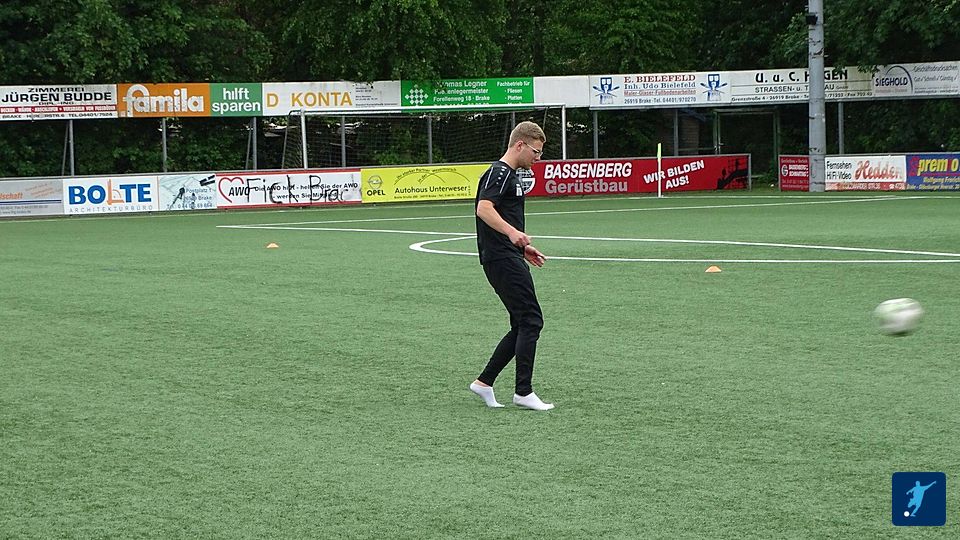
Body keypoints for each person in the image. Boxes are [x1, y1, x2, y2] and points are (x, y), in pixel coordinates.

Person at [469, 121, 554, 411]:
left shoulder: (511, 175)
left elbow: (501, 215)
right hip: (500, 258)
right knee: (531, 320)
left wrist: (522, 246)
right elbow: (484, 208)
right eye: (536, 151)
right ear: (520, 145)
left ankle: (484, 382)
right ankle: (523, 391)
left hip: (508, 255)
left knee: (522, 323)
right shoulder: (500, 172)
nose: (538, 158)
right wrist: (512, 233)